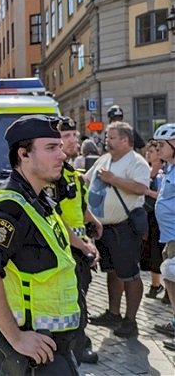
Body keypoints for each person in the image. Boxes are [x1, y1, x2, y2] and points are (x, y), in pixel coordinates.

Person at [0, 115, 82, 375]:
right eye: (51, 148)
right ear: (24, 154)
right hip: (32, 353)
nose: (62, 155)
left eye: (60, 147)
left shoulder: (38, 198)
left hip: (52, 347)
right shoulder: (11, 207)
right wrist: (17, 338)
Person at [85, 121, 149, 338]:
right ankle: (113, 313)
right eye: (107, 137)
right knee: (112, 271)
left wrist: (113, 179)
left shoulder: (137, 162)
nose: (107, 140)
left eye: (111, 137)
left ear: (125, 140)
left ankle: (131, 321)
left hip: (125, 228)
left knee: (129, 274)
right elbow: (86, 179)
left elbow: (141, 188)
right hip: (105, 229)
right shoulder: (104, 158)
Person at [54, 117, 103, 365]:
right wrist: (82, 245)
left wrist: (93, 221)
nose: (74, 140)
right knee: (73, 301)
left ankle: (78, 344)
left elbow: (79, 207)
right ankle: (76, 348)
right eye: (67, 136)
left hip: (79, 246)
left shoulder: (74, 174)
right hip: (65, 248)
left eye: (75, 135)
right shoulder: (55, 176)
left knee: (80, 297)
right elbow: (56, 216)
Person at [151, 123, 175, 350]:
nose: (157, 149)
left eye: (161, 145)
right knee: (169, 277)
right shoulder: (169, 168)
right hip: (169, 236)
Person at [142, 139, 165, 300]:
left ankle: (168, 288)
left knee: (162, 251)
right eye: (147, 151)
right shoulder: (146, 171)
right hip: (148, 216)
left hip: (161, 218)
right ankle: (155, 285)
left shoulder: (164, 172)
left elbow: (164, 196)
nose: (147, 154)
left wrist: (148, 192)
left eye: (151, 151)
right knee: (151, 251)